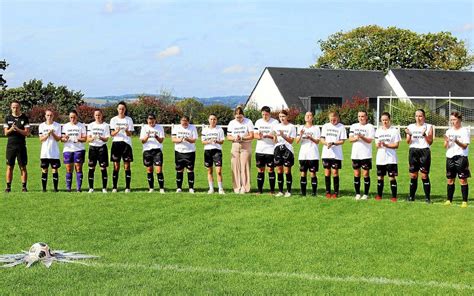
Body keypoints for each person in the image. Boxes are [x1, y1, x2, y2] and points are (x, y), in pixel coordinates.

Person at [405, 109, 433, 203]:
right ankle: (411, 197)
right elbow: (408, 142)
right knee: (413, 175)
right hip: (413, 151)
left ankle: (427, 198)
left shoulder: (429, 126)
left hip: (424, 151)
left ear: (424, 117)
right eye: (416, 116)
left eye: (420, 116)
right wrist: (409, 135)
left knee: (424, 175)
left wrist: (424, 134)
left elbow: (430, 142)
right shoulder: (410, 126)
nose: (418, 118)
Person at [444, 112, 470, 208]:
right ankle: (449, 200)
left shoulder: (464, 131)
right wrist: (447, 142)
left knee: (463, 180)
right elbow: (445, 146)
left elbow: (464, 146)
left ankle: (464, 201)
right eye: (451, 120)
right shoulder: (448, 131)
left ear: (459, 119)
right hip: (450, 157)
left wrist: (456, 141)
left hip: (461, 157)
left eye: (454, 119)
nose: (452, 121)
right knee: (450, 180)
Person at [4, 100, 30, 192]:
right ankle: (8, 187)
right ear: (11, 108)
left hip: (21, 146)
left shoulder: (24, 118)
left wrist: (18, 129)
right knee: (9, 166)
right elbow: (6, 133)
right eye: (13, 107)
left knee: (23, 166)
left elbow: (27, 133)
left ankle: (24, 187)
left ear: (20, 107)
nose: (15, 109)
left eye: (17, 107)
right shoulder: (8, 118)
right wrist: (11, 128)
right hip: (11, 146)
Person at [227, 107, 254, 194]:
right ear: (234, 116)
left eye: (240, 117)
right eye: (237, 117)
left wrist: (242, 138)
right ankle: (237, 187)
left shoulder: (248, 122)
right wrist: (235, 138)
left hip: (245, 145)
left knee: (245, 166)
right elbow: (228, 136)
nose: (239, 119)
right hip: (235, 145)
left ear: (243, 115)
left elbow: (251, 135)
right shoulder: (231, 123)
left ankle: (245, 187)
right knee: (235, 166)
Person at [374, 112, 401, 202]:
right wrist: (379, 144)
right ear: (381, 121)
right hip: (380, 158)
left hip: (391, 159)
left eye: (386, 120)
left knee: (391, 177)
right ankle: (379, 195)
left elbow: (396, 145)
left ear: (389, 120)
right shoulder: (378, 131)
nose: (384, 122)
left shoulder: (394, 131)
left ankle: (394, 197)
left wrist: (386, 145)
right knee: (380, 177)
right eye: (383, 120)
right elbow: (376, 145)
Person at [320, 111, 347, 198]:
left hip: (336, 154)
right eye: (331, 120)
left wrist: (333, 143)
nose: (332, 121)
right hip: (326, 154)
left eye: (334, 120)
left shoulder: (341, 127)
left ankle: (336, 192)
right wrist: (326, 143)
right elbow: (322, 139)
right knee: (327, 172)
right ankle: (328, 191)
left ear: (337, 118)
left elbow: (342, 141)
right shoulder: (325, 126)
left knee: (335, 172)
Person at [349, 110, 375, 200]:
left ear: (366, 117)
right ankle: (357, 193)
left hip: (366, 154)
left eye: (363, 116)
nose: (361, 118)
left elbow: (370, 140)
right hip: (355, 154)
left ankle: (366, 194)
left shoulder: (370, 127)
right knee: (356, 173)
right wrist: (356, 138)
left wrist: (362, 136)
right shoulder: (353, 126)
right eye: (359, 116)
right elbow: (350, 139)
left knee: (366, 174)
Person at [110, 101, 135, 193]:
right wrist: (117, 131)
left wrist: (127, 131)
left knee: (127, 166)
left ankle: (127, 187)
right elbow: (112, 134)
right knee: (116, 166)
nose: (121, 110)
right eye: (120, 109)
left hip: (126, 144)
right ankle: (114, 187)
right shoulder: (113, 120)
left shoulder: (129, 120)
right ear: (117, 109)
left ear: (125, 110)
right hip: (116, 144)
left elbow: (130, 134)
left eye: (123, 109)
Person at [254, 106, 278, 194]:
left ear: (270, 114)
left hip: (270, 150)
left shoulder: (275, 122)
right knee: (260, 170)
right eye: (263, 114)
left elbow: (276, 137)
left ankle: (272, 191)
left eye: (266, 115)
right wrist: (259, 136)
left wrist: (269, 136)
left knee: (271, 170)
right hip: (260, 150)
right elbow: (254, 135)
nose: (264, 116)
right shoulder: (258, 122)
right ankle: (259, 191)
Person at [61, 110, 87, 192]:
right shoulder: (65, 126)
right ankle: (68, 188)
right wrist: (65, 138)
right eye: (71, 117)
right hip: (68, 149)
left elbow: (85, 138)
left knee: (78, 168)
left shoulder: (81, 126)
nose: (72, 119)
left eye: (74, 117)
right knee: (68, 169)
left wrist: (79, 139)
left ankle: (78, 188)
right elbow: (62, 139)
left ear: (77, 117)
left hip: (79, 149)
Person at [295, 111, 320, 196]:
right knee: (303, 173)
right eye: (306, 115)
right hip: (303, 155)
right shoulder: (300, 128)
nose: (308, 117)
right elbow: (297, 141)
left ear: (312, 118)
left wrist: (311, 138)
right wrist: (301, 135)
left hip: (313, 154)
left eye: (310, 115)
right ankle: (303, 192)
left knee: (313, 173)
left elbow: (317, 141)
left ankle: (314, 192)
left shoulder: (316, 128)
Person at [272, 110, 296, 197]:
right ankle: (280, 191)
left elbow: (291, 141)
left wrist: (283, 135)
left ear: (287, 117)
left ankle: (288, 191)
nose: (281, 118)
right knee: (279, 170)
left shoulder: (291, 127)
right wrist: (274, 138)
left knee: (287, 171)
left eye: (283, 116)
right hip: (278, 149)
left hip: (288, 150)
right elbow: (275, 141)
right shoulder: (276, 126)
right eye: (280, 116)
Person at [172, 116, 198, 193]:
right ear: (180, 121)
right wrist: (179, 140)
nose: (184, 122)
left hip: (190, 152)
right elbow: (173, 139)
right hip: (179, 152)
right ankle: (179, 188)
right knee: (179, 170)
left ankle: (191, 188)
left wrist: (187, 139)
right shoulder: (176, 128)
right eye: (183, 120)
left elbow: (194, 140)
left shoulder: (192, 127)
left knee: (190, 170)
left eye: (186, 121)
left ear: (188, 121)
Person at [140, 114, 165, 194]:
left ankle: (161, 188)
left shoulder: (159, 127)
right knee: (149, 169)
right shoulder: (144, 128)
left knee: (159, 170)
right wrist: (147, 137)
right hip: (147, 151)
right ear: (147, 121)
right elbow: (142, 141)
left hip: (157, 151)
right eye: (149, 121)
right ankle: (151, 188)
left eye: (152, 121)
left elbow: (161, 141)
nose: (151, 123)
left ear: (155, 120)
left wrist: (156, 137)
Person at [87, 109, 110, 193]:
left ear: (101, 115)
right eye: (96, 115)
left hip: (102, 148)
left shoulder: (106, 126)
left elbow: (107, 139)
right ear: (94, 116)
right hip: (92, 148)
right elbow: (88, 139)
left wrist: (101, 137)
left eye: (99, 115)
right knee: (91, 168)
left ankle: (104, 188)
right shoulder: (90, 125)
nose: (97, 116)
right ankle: (91, 188)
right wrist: (93, 138)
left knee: (103, 168)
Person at [201, 114, 225, 194]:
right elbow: (202, 142)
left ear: (216, 120)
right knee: (209, 171)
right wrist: (209, 141)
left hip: (217, 151)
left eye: (214, 119)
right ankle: (211, 189)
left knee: (218, 171)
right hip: (207, 151)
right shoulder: (205, 130)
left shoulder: (219, 129)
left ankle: (220, 189)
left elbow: (222, 141)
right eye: (211, 119)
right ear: (208, 120)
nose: (213, 121)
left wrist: (216, 141)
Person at [38, 110, 62, 192]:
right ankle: (44, 189)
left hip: (54, 152)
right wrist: (48, 134)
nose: (49, 117)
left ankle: (56, 189)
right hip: (44, 153)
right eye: (47, 115)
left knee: (54, 170)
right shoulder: (41, 126)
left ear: (53, 116)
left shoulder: (57, 125)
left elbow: (58, 139)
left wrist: (53, 134)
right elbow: (41, 139)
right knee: (44, 169)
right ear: (45, 116)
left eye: (51, 115)